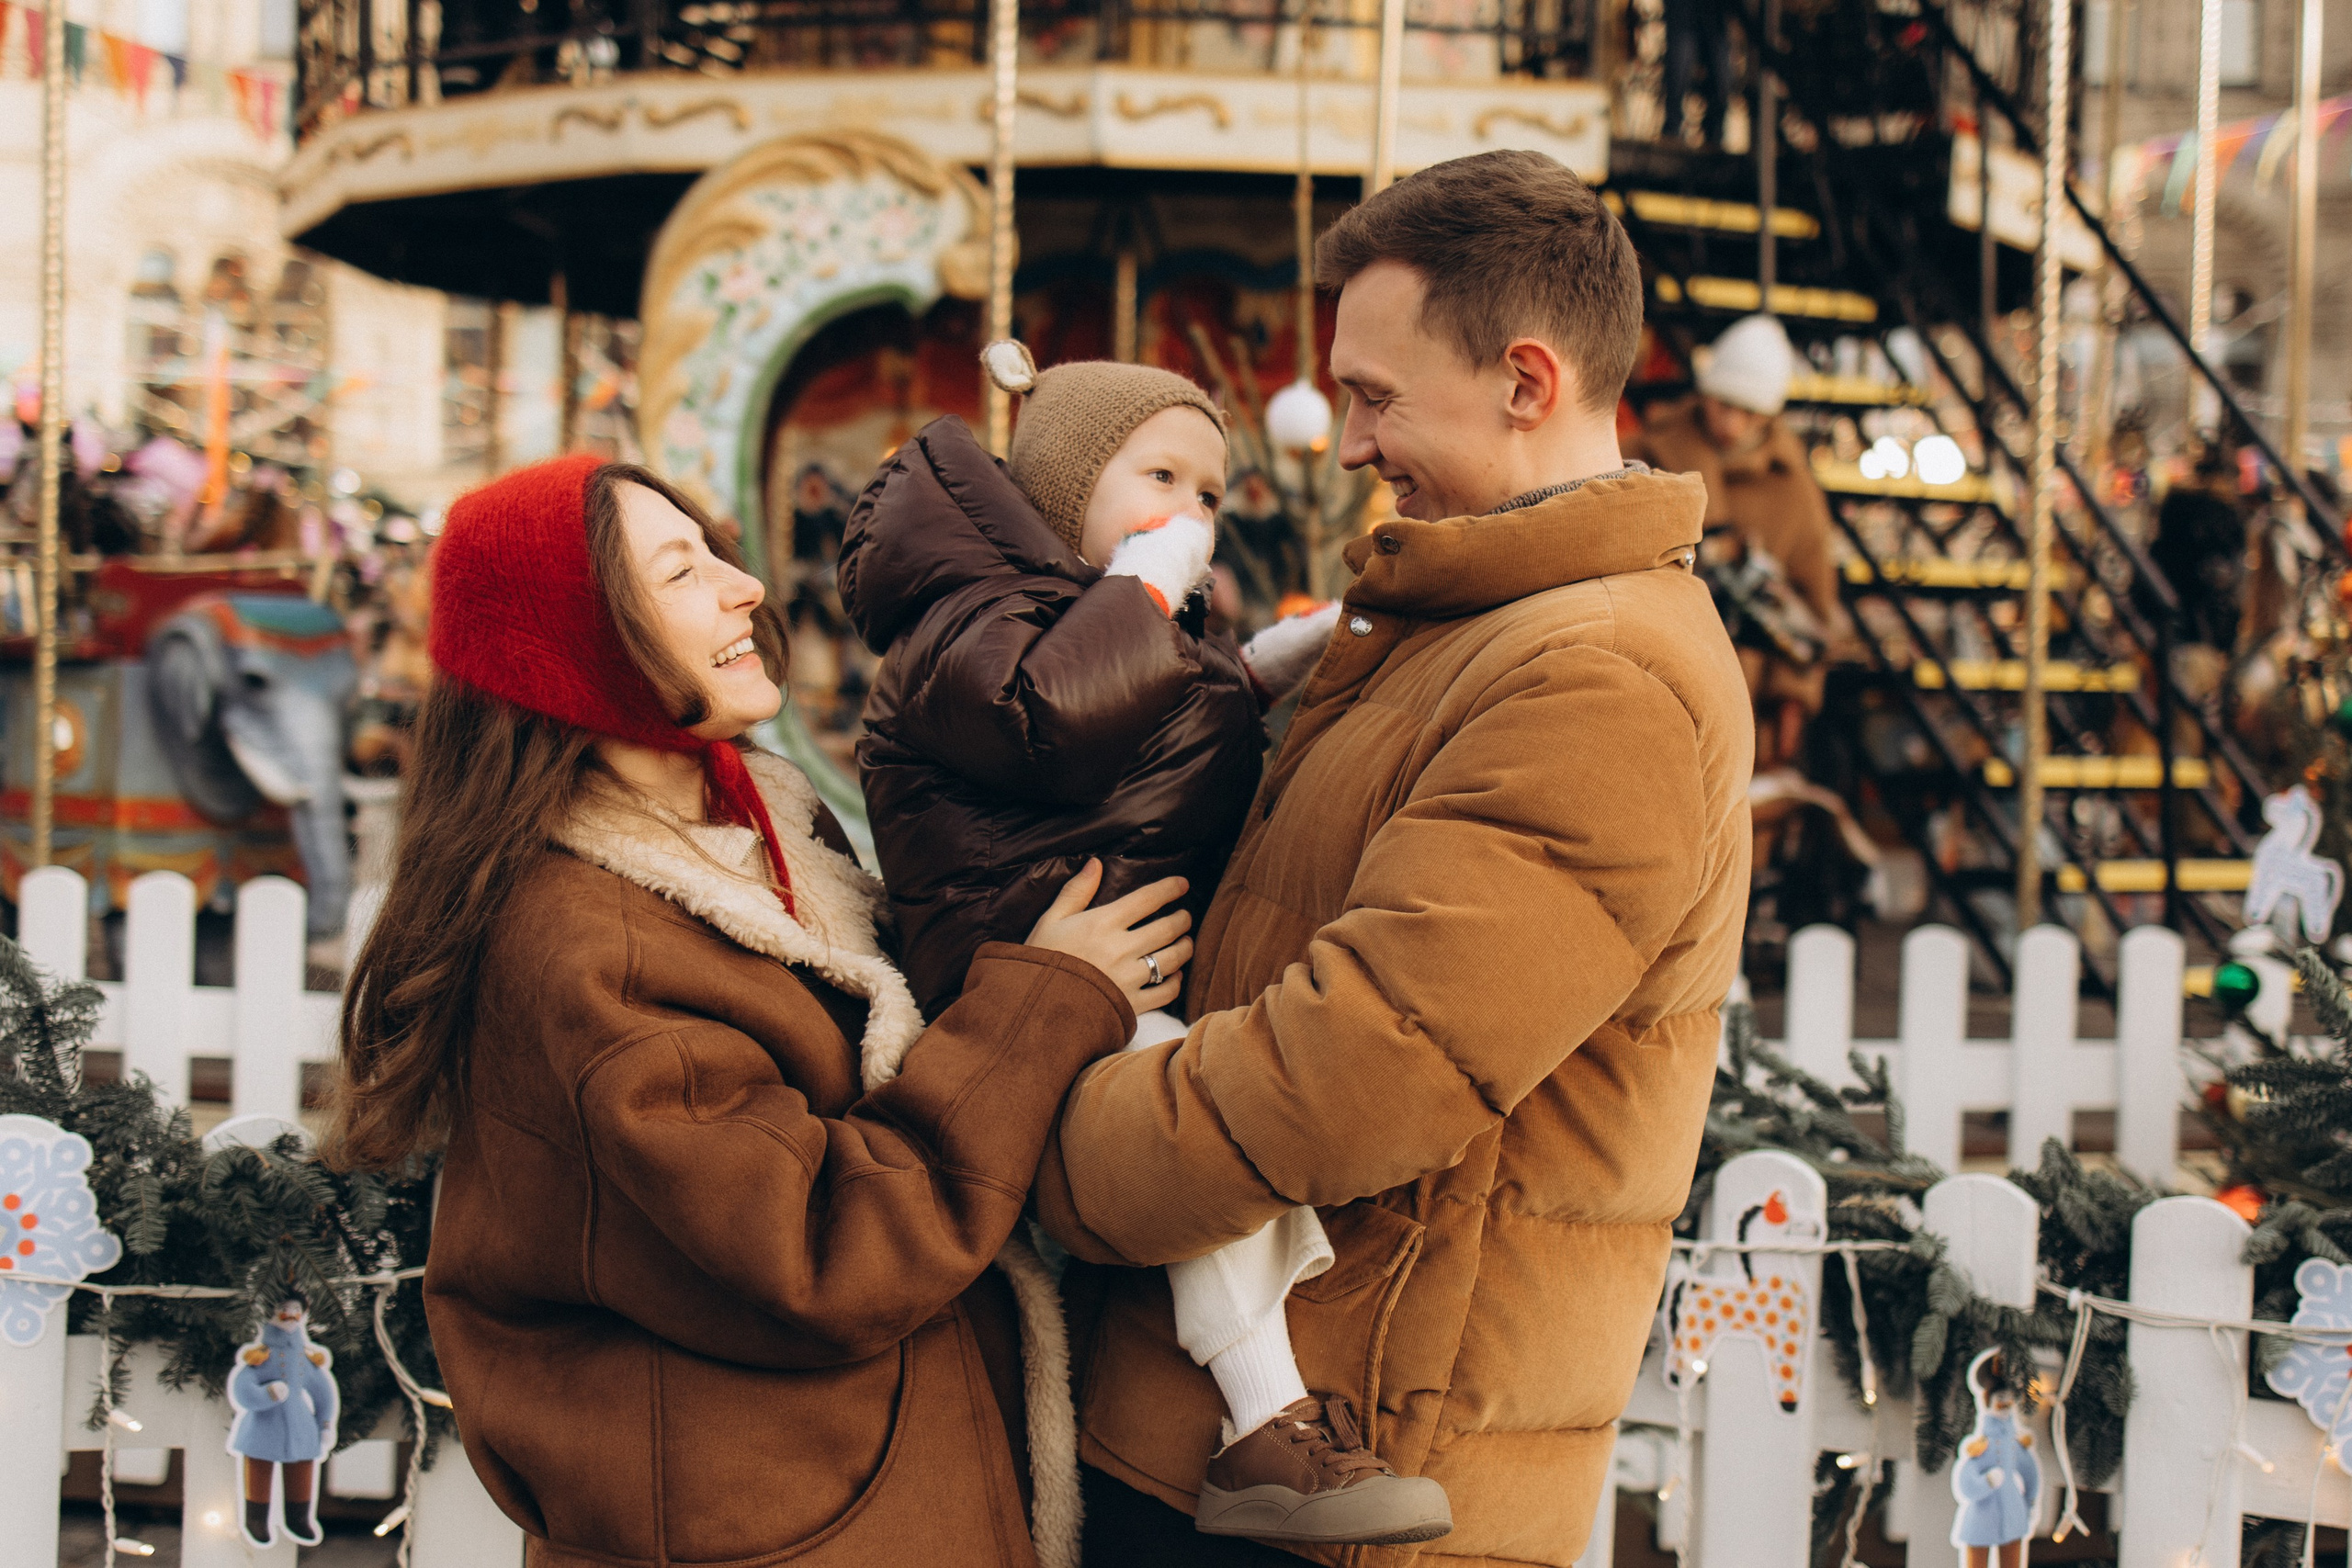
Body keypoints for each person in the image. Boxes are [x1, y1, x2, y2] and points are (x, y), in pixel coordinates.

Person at [1032, 149, 1754, 1567]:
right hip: (1240, 1452)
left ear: (1526, 381)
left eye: (1373, 394)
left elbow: (1350, 1074)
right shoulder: (1462, 618)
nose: (1347, 441)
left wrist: (1038, 1142)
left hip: (1360, 1484)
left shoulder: (1598, 677)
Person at [326, 454, 1190, 1568]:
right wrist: (1046, 1003)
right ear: (574, 640)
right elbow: (817, 1243)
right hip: (772, 1518)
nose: (744, 588)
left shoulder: (760, 823)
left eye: (717, 554)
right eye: (681, 572)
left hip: (873, 1472)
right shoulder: (586, 943)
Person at [837, 342, 1442, 1547]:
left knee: (1200, 1102)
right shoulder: (968, 614)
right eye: (1159, 476)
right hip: (1012, 976)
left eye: (1210, 494)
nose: (1190, 515)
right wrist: (1153, 588)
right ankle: (1266, 1421)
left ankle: (1268, 1419)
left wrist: (1275, 656)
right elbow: (1049, 721)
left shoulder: (1106, 618)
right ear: (1063, 492)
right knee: (1190, 1109)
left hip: (1096, 969)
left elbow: (1163, 708)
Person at [1628, 312, 1842, 773]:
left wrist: (1793, 698)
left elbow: (1811, 602)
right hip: (1649, 668)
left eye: (1748, 412)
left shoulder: (1793, 490)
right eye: (1723, 404)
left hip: (1744, 694)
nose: (1731, 422)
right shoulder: (1646, 451)